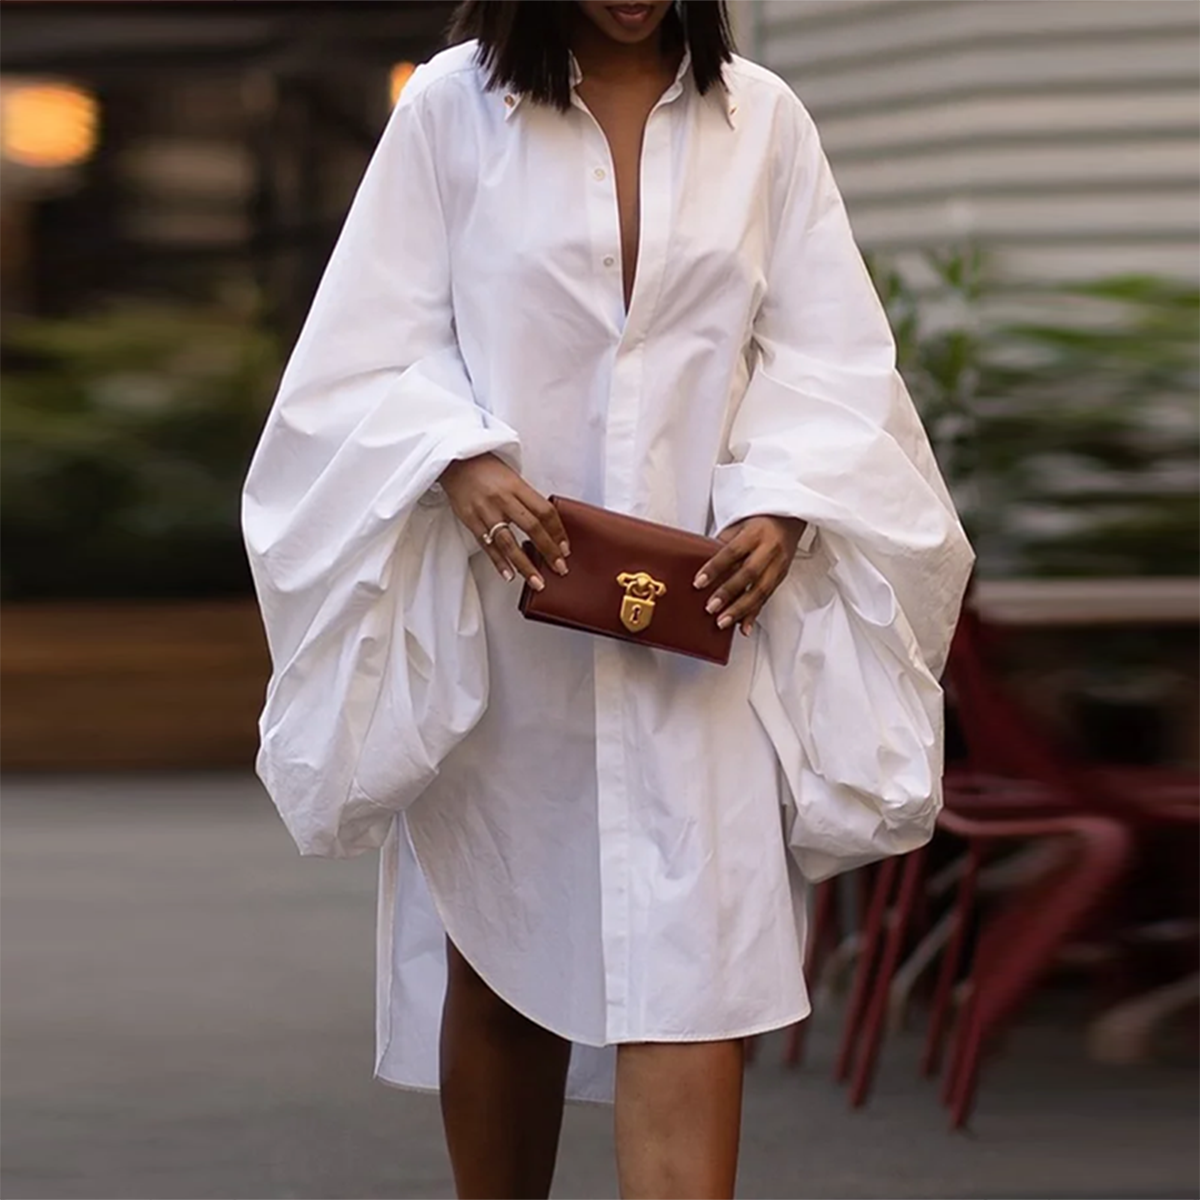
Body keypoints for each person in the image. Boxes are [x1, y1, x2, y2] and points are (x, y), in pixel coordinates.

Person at [242, 1, 974, 1197]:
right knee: (503, 956)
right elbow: (362, 352)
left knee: (702, 972)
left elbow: (835, 359)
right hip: (508, 622)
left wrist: (784, 503)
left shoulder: (762, 119)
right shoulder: (450, 110)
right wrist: (458, 458)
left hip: (705, 625)